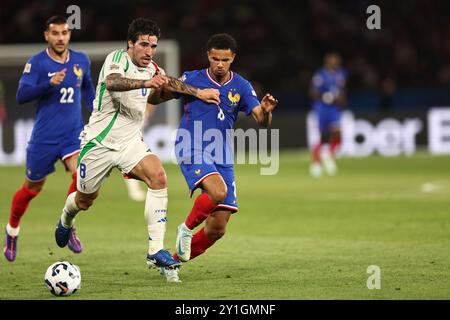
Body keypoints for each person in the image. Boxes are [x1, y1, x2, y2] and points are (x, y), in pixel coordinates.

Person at [53, 18, 220, 282]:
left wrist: (199, 93)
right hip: (99, 143)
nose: (149, 51)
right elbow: (113, 83)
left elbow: (167, 84)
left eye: (153, 46)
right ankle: (66, 219)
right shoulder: (116, 59)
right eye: (144, 44)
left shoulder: (153, 68)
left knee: (158, 177)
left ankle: (155, 250)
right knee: (85, 200)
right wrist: (147, 84)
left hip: (131, 142)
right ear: (130, 44)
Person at [148, 33, 278, 277]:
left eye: (225, 60)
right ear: (209, 55)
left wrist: (267, 111)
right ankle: (185, 230)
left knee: (217, 228)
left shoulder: (241, 85)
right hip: (191, 144)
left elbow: (262, 120)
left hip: (222, 153)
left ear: (233, 59)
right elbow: (157, 98)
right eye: (216, 58)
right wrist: (158, 86)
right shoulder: (192, 78)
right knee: (218, 192)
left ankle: (172, 263)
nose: (220, 64)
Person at [3, 15, 95, 262]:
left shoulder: (80, 60)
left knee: (81, 176)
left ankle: (67, 223)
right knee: (31, 188)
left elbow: (87, 88)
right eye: (55, 33)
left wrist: (96, 110)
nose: (61, 37)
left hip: (72, 136)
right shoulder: (37, 63)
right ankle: (12, 231)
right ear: (47, 36)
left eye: (64, 32)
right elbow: (22, 95)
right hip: (44, 138)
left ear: (69, 34)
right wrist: (47, 84)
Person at [309, 52, 347, 177]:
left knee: (338, 134)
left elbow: (342, 90)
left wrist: (341, 99)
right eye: (333, 59)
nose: (335, 62)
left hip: (334, 109)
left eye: (337, 59)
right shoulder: (320, 74)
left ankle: (327, 154)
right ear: (327, 61)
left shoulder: (341, 74)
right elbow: (313, 92)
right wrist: (325, 96)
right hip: (322, 108)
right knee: (323, 137)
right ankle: (315, 164)